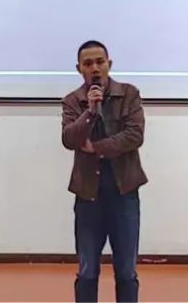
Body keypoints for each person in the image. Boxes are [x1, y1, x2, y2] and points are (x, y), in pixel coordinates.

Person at [61, 40, 147, 303]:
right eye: (88, 64)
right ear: (79, 69)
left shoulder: (129, 94)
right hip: (88, 198)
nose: (95, 68)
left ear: (109, 64)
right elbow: (69, 139)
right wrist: (89, 112)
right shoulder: (72, 101)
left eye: (100, 62)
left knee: (126, 272)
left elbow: (134, 135)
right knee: (87, 272)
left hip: (124, 195)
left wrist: (96, 148)